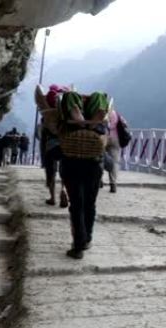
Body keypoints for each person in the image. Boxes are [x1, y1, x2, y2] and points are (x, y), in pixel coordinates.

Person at [58, 91, 109, 259]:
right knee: (89, 203)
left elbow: (55, 128)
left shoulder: (63, 116)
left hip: (71, 162)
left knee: (77, 204)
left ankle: (78, 245)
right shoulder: (104, 124)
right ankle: (87, 239)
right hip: (93, 163)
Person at [40, 123, 69, 208]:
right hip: (65, 147)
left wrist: (43, 159)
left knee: (51, 173)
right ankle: (63, 191)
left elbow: (43, 141)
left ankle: (52, 198)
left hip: (51, 148)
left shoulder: (47, 120)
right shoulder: (66, 118)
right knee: (65, 173)